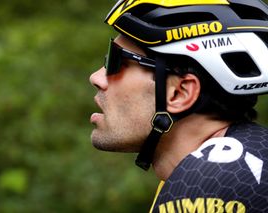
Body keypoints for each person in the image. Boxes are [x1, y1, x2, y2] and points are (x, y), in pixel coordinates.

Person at [89, 0, 268, 212]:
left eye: (119, 62)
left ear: (179, 93)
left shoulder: (209, 186)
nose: (96, 78)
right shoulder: (230, 168)